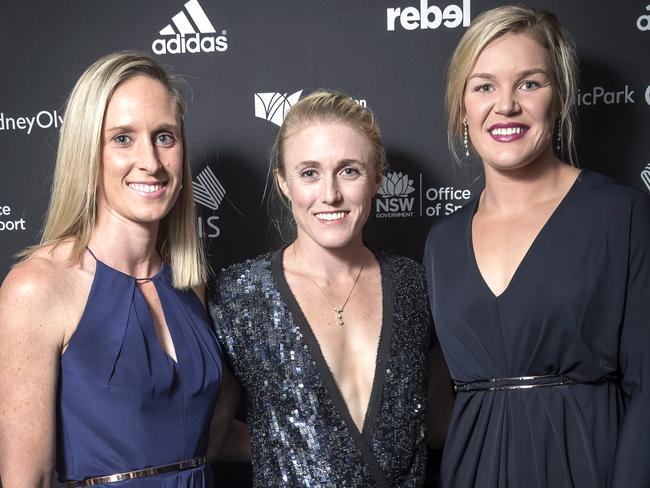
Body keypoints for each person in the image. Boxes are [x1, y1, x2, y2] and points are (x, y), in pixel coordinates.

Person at [424, 5, 650, 487]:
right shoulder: (441, 243)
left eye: (529, 83)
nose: (505, 105)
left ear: (560, 98)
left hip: (588, 465)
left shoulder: (621, 215)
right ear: (462, 107)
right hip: (471, 471)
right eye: (484, 86)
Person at [0, 51, 222, 486]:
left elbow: (203, 434)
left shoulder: (189, 287)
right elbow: (29, 479)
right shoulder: (37, 288)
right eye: (123, 138)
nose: (152, 162)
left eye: (164, 136)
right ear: (88, 151)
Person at [208, 91, 434, 487]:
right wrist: (294, 451)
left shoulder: (416, 284)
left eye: (349, 170)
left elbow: (442, 412)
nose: (330, 194)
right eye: (309, 173)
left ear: (378, 177)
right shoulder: (237, 296)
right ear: (283, 181)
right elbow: (208, 430)